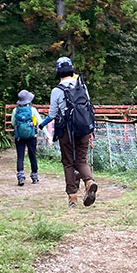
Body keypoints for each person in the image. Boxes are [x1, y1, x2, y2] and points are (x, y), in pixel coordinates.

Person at [39, 57, 98, 208]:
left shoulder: (57, 91)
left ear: (58, 71)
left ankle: (72, 198)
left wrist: (42, 124)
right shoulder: (82, 86)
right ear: (71, 69)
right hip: (84, 128)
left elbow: (52, 114)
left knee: (68, 163)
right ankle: (89, 181)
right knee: (81, 160)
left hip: (66, 130)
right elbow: (88, 106)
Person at [11, 89, 42, 186]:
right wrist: (48, 136)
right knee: (32, 155)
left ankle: (20, 176)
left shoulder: (15, 110)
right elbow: (40, 122)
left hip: (19, 136)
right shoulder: (32, 110)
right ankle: (34, 176)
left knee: (20, 156)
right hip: (31, 136)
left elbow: (13, 123)